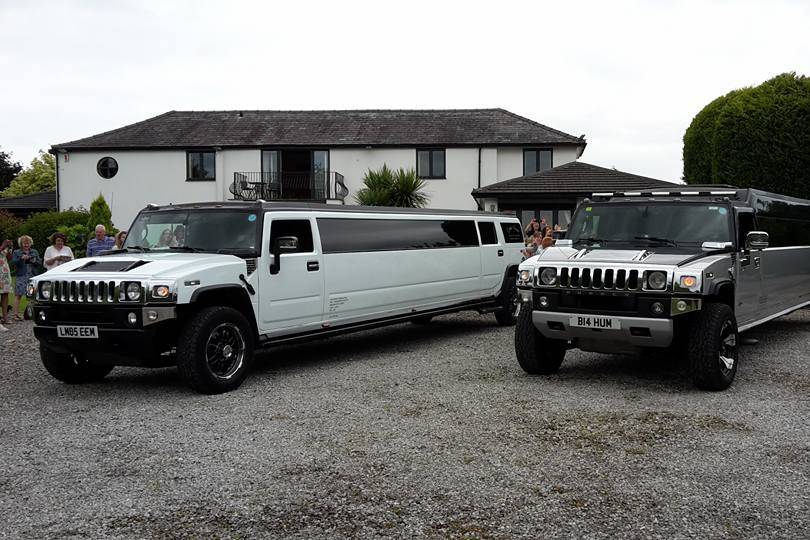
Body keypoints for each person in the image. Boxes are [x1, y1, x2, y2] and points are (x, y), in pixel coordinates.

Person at [11, 235, 41, 321]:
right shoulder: (16, 252)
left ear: (30, 243)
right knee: (18, 295)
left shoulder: (34, 251)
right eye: (24, 243)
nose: (26, 245)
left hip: (32, 275)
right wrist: (21, 258)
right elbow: (13, 263)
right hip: (21, 275)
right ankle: (15, 315)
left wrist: (33, 260)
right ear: (21, 244)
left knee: (33, 295)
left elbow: (39, 262)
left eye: (28, 243)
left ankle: (32, 314)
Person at [0, 239, 12, 331]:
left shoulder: (5, 246)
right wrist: (3, 246)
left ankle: (5, 317)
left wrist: (10, 248)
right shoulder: (3, 245)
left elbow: (9, 258)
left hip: (4, 272)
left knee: (5, 294)